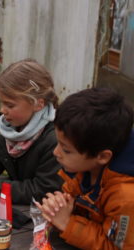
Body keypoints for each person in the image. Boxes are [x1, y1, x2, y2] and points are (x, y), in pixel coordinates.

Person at [36, 88, 134, 249]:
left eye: (66, 149)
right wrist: (63, 204)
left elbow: (116, 246)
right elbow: (76, 197)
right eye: (58, 143)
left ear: (102, 157)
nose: (56, 152)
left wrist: (68, 223)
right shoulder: (85, 165)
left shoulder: (126, 198)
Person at [0, 59, 63, 204]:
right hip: (19, 208)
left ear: (38, 104)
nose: (2, 110)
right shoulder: (4, 131)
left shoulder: (56, 139)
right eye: (1, 102)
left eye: (9, 105)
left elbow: (44, 190)